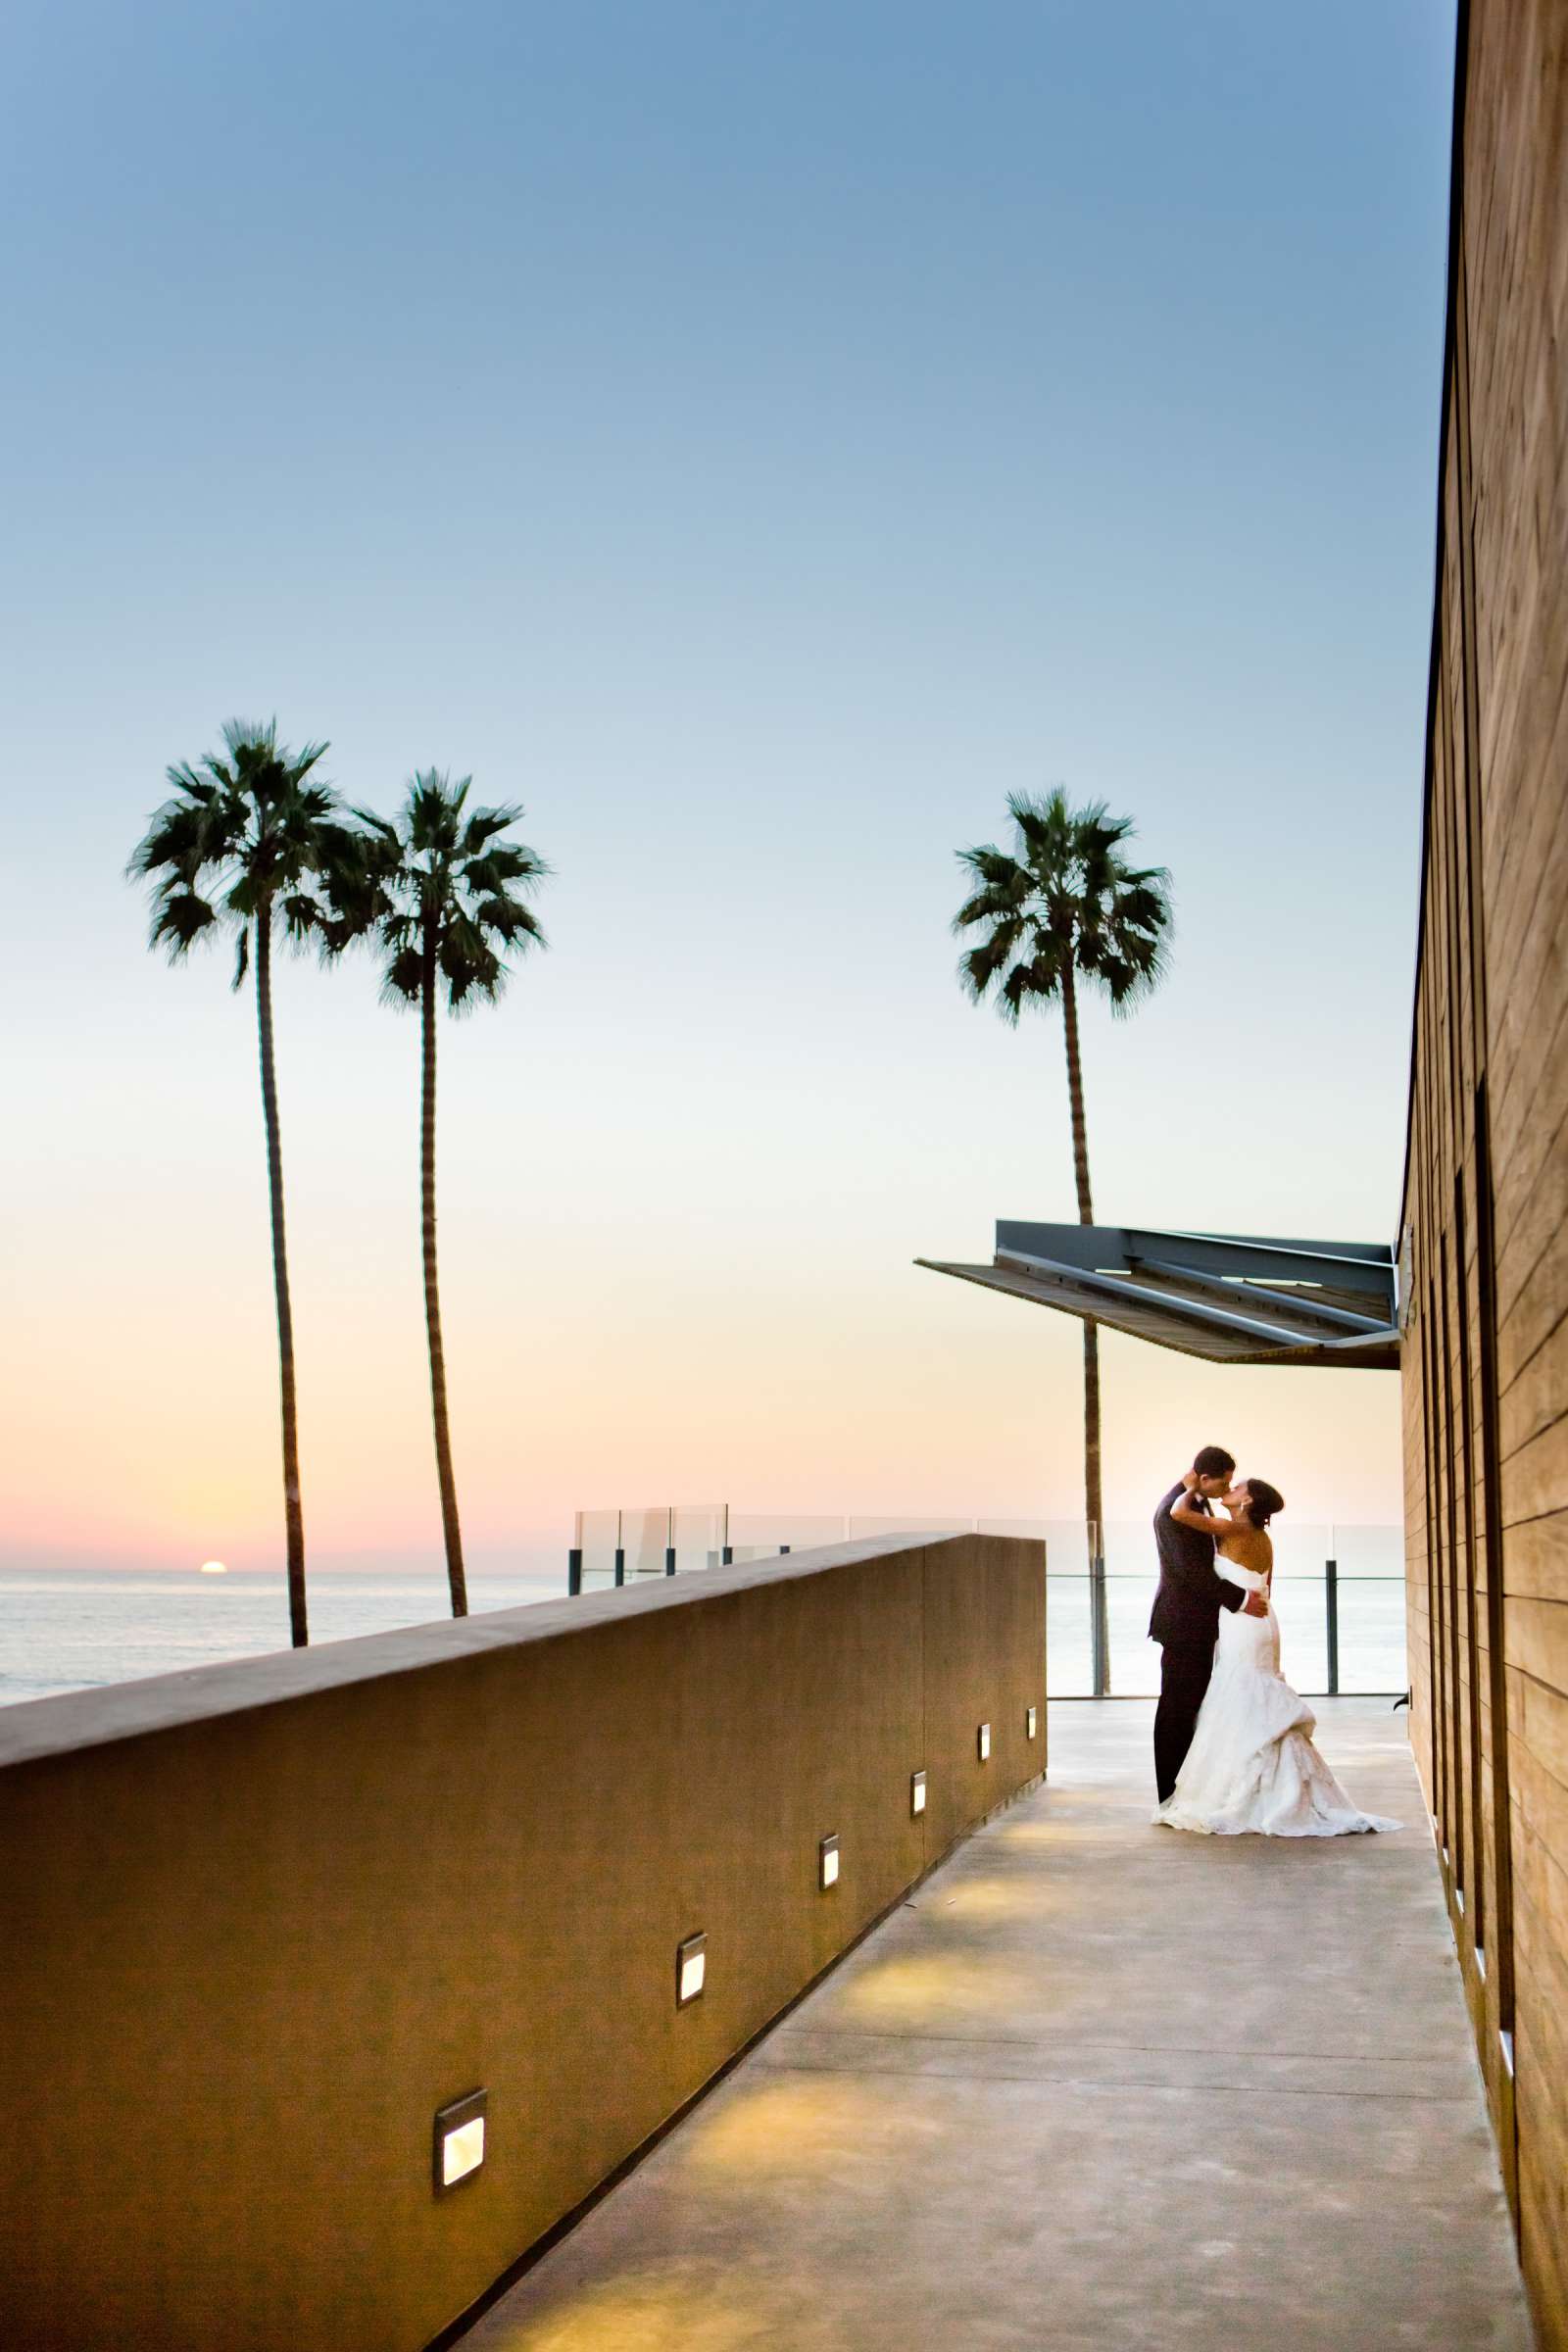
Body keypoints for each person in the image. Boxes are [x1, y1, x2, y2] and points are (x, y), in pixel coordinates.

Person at [1154, 1473, 1399, 1837]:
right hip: (1261, 1620)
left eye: (1238, 1488)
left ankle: (1253, 1789)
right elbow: (1267, 1587)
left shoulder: (1232, 1530)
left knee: (1242, 1693)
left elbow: (1177, 1513)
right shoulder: (1263, 1539)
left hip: (1242, 1622)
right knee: (1256, 1692)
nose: (1232, 1490)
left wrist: (1190, 1486)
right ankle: (1281, 1780)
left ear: (1248, 1502)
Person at [1150, 1446, 1264, 1804]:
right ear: (1204, 1478)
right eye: (1224, 1482)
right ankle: (1169, 1792)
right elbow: (1191, 1573)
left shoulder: (1195, 1502)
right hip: (1183, 1625)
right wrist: (1241, 1600)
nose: (1226, 1488)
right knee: (1176, 1709)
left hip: (1197, 1624)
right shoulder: (1174, 1511)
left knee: (1189, 1707)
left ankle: (1186, 1785)